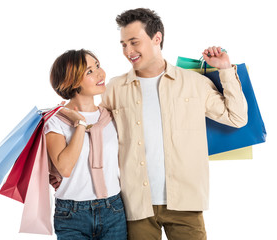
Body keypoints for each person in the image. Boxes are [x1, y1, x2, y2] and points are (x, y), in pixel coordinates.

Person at [100, 8, 248, 240]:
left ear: (156, 38)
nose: (128, 51)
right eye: (123, 44)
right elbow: (100, 141)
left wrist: (225, 70)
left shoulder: (193, 83)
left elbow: (237, 118)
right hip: (136, 205)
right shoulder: (114, 88)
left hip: (186, 203)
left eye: (134, 42)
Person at [45, 49, 127, 240]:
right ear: (71, 81)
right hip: (72, 214)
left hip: (113, 209)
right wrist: (80, 124)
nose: (100, 73)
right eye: (89, 71)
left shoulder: (111, 117)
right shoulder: (56, 121)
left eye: (97, 66)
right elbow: (65, 168)